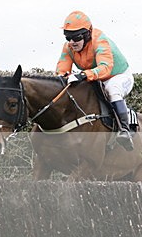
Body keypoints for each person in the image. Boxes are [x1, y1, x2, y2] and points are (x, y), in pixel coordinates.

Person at [56, 10, 135, 151]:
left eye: (76, 37)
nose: (72, 42)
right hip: (95, 77)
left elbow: (105, 68)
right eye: (68, 38)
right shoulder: (68, 48)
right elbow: (62, 71)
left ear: (87, 34)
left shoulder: (99, 41)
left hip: (117, 76)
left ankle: (124, 129)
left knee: (112, 89)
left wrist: (83, 75)